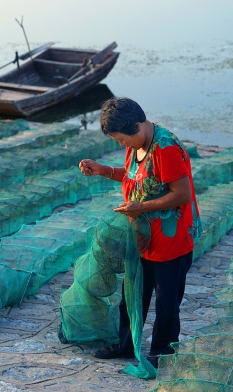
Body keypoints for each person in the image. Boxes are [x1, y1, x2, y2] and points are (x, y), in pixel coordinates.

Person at [79, 97, 202, 368]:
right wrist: (103, 171)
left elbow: (182, 194)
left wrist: (141, 207)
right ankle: (126, 344)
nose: (121, 145)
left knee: (167, 302)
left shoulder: (165, 147)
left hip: (171, 239)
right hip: (143, 235)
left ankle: (162, 352)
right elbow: (136, 175)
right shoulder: (137, 141)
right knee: (132, 292)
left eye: (121, 140)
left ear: (136, 126)